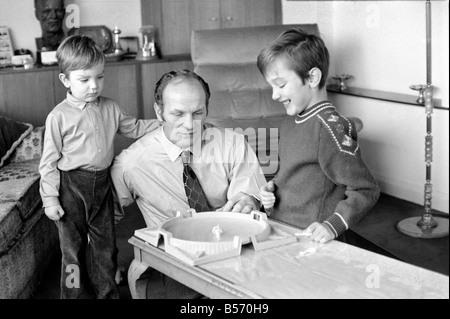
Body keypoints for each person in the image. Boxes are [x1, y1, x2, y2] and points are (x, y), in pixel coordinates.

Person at [111, 69, 267, 298]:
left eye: (197, 113)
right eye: (177, 114)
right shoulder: (132, 162)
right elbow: (102, 219)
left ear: (207, 109)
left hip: (232, 252)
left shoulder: (233, 144)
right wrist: (106, 263)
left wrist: (250, 201)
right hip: (172, 260)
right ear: (159, 112)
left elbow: (253, 195)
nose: (189, 124)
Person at [39, 34, 160, 299]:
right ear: (65, 80)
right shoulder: (58, 117)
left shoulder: (111, 107)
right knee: (73, 249)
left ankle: (108, 293)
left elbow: (134, 127)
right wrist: (49, 198)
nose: (94, 86)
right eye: (84, 80)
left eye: (100, 77)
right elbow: (48, 162)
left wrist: (164, 123)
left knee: (105, 247)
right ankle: (74, 296)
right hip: (71, 187)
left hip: (102, 185)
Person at [257, 28, 380, 244]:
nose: (274, 95)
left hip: (310, 240)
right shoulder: (290, 123)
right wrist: (271, 188)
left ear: (312, 77)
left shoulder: (328, 129)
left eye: (281, 85)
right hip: (282, 229)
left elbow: (365, 189)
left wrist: (332, 226)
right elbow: (296, 174)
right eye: (271, 87)